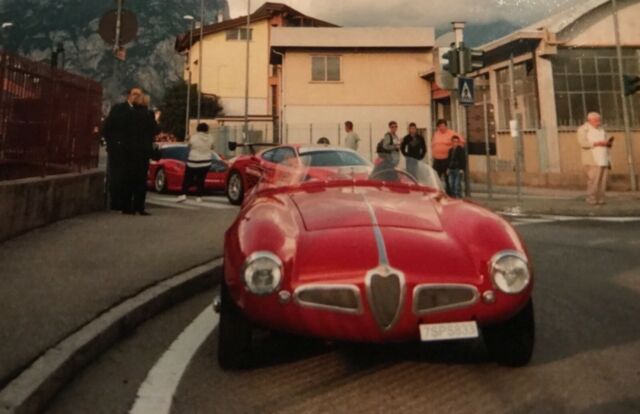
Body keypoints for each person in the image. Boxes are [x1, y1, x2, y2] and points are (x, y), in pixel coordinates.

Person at [102, 87, 144, 212]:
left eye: (139, 95)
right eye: (134, 94)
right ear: (129, 96)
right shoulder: (118, 109)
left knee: (128, 177)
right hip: (118, 149)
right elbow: (107, 127)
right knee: (117, 176)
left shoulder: (140, 111)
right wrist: (112, 144)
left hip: (132, 151)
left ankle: (126, 203)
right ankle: (116, 203)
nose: (136, 97)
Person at [577, 112, 613, 206]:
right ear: (590, 120)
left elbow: (608, 140)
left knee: (602, 181)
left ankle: (601, 198)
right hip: (592, 159)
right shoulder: (583, 129)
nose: (598, 122)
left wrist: (608, 142)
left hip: (604, 158)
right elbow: (583, 143)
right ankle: (591, 199)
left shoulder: (602, 129)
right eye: (596, 120)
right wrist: (597, 143)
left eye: (599, 120)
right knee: (593, 181)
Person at [177, 123, 216, 203]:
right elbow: (212, 147)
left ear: (198, 129)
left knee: (187, 178)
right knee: (201, 179)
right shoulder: (211, 138)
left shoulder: (194, 137)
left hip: (193, 161)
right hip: (206, 162)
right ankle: (199, 197)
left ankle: (183, 194)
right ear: (206, 129)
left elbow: (189, 146)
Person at [432, 119, 465, 190]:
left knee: (448, 179)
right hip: (437, 160)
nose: (441, 128)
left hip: (446, 159)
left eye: (443, 126)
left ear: (446, 126)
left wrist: (454, 149)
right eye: (440, 126)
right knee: (435, 177)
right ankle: (437, 192)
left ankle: (449, 193)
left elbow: (461, 141)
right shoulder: (436, 134)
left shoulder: (451, 133)